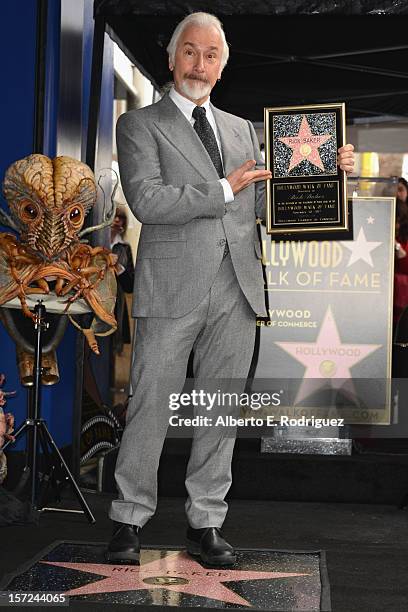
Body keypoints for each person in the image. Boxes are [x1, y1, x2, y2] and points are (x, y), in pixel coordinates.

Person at [106, 11, 355, 567]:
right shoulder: (140, 125)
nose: (200, 63)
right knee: (151, 404)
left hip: (238, 287)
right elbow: (147, 201)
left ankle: (207, 522)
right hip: (172, 286)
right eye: (190, 52)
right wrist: (223, 186)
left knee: (220, 410)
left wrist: (325, 177)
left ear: (223, 64)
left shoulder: (243, 129)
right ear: (171, 59)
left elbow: (266, 208)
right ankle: (128, 517)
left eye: (211, 54)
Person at [110, 207, 134, 355]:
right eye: (114, 216)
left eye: (121, 217)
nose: (117, 220)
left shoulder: (124, 248)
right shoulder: (96, 241)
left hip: (116, 304)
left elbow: (130, 286)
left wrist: (120, 269)